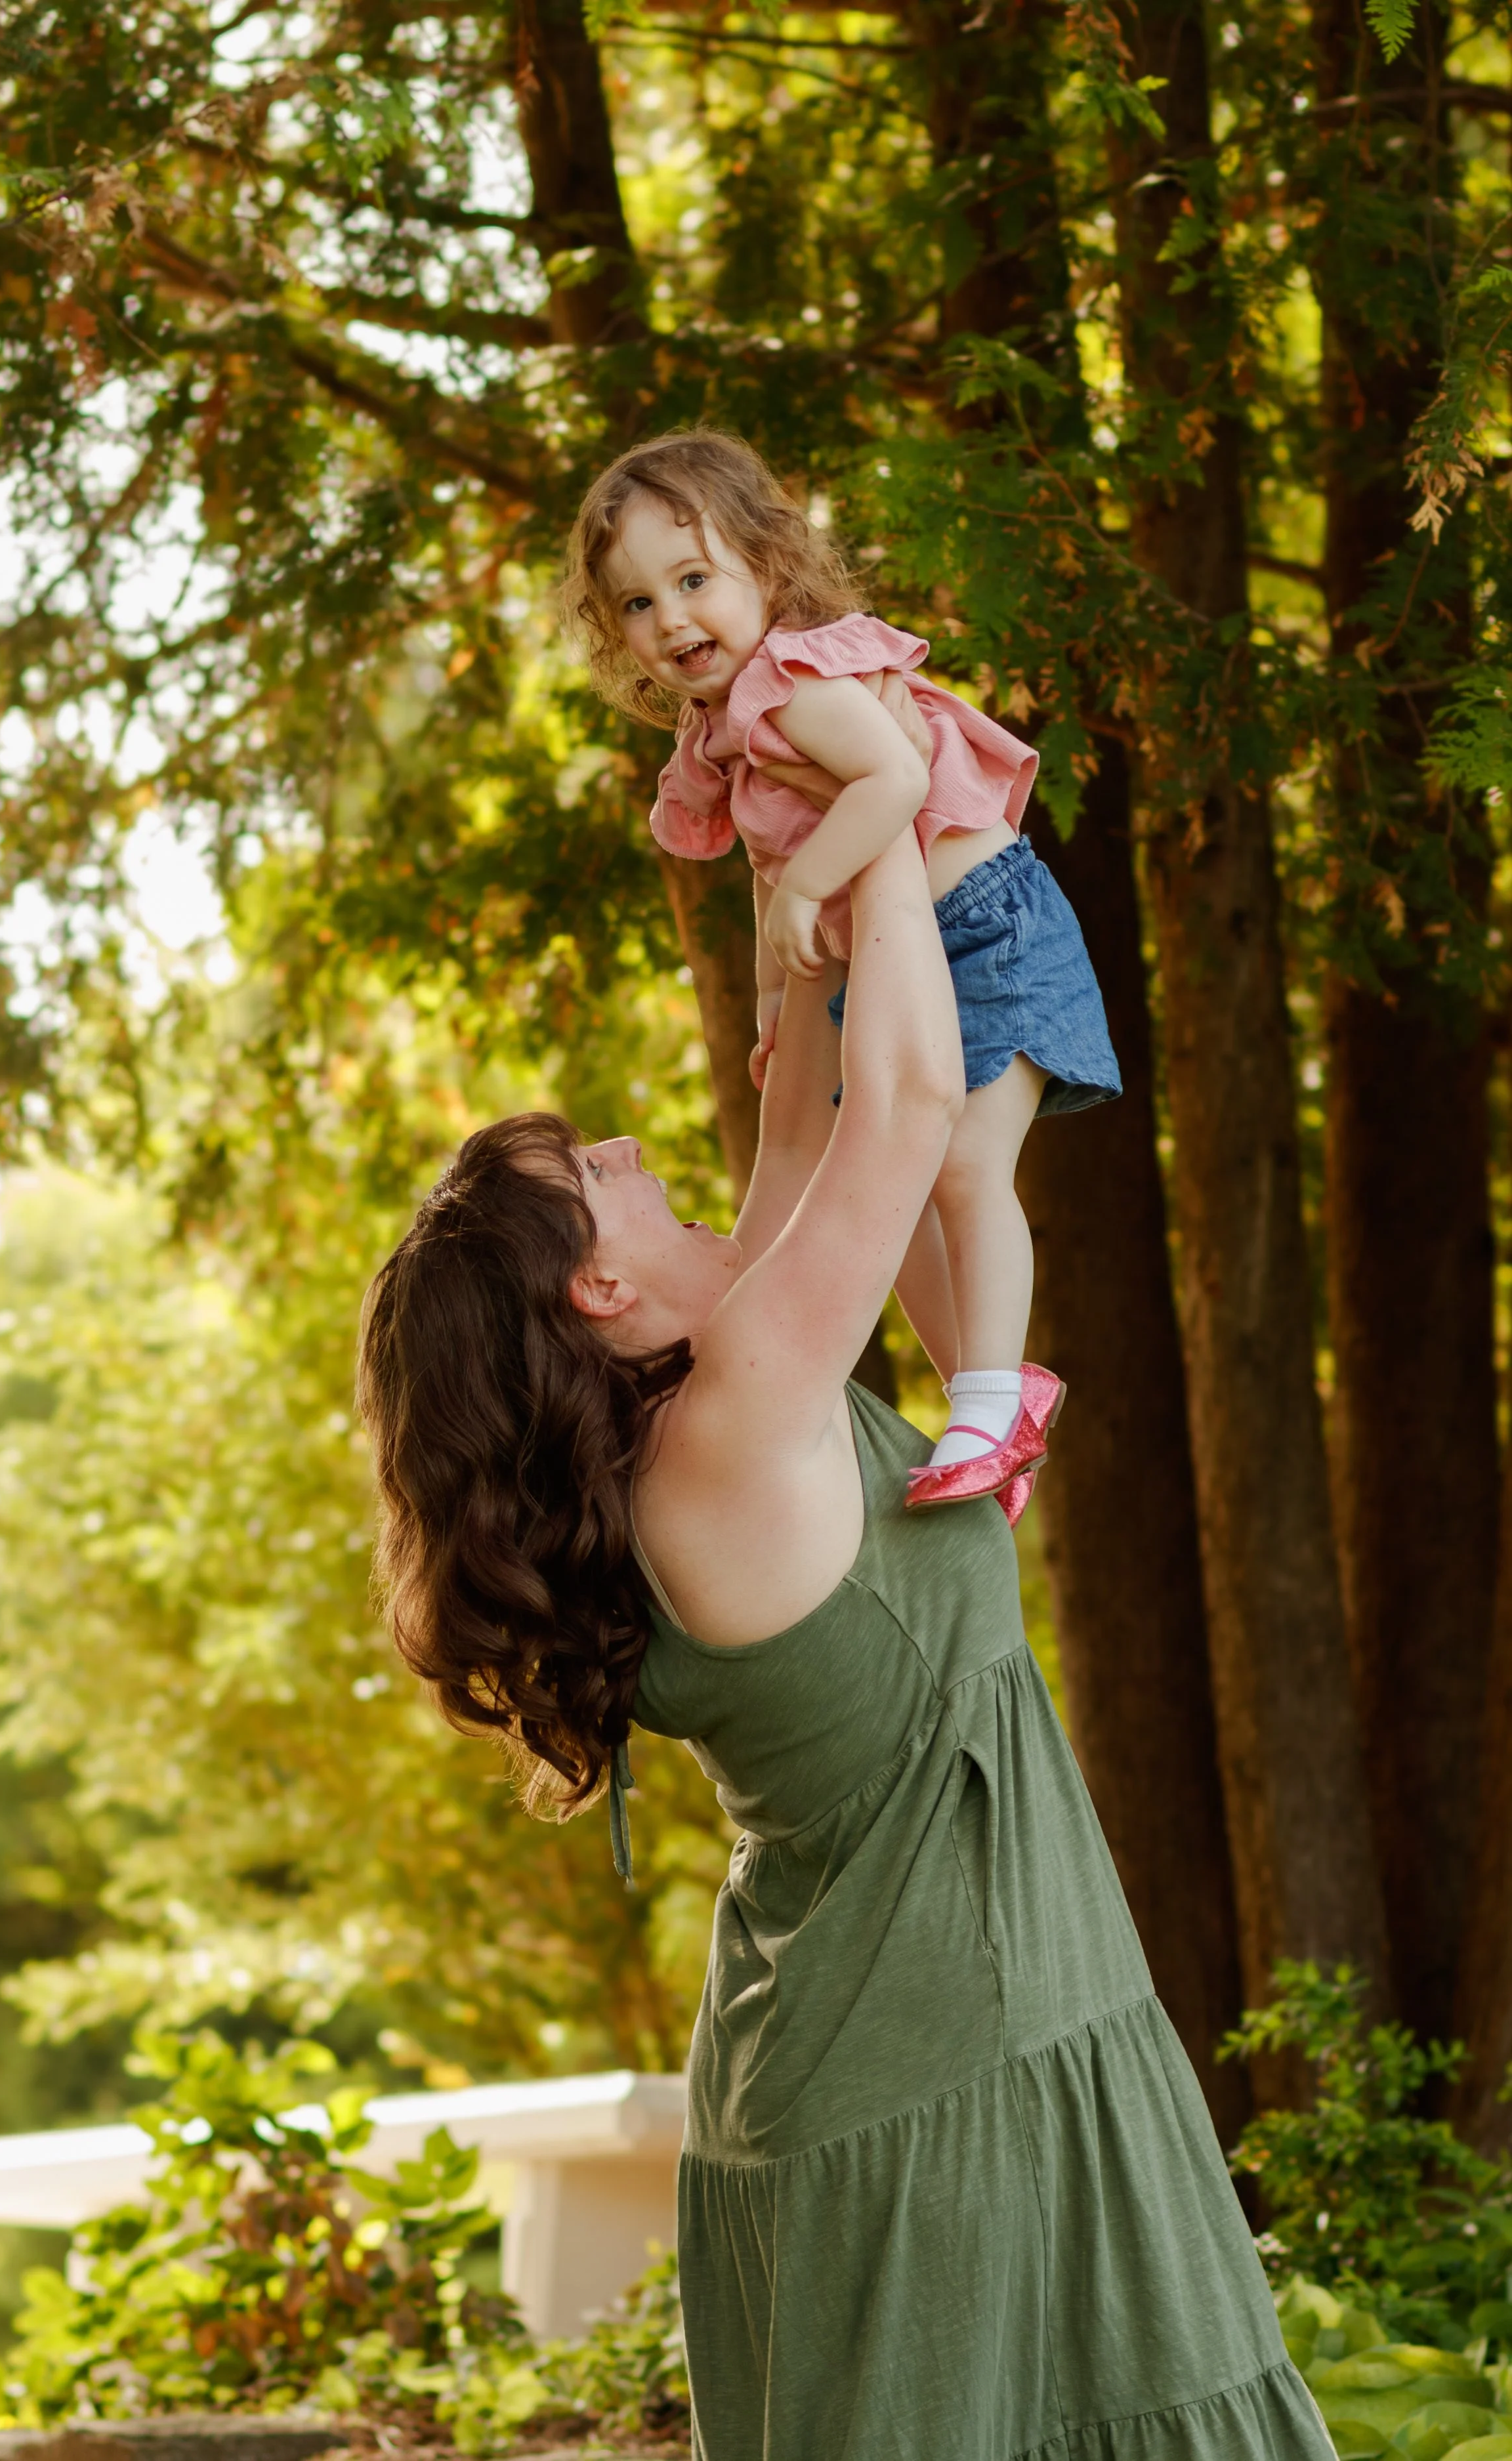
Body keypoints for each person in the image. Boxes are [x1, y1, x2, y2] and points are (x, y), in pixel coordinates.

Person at [356, 826, 1332, 2461]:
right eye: (588, 1173)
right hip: (933, 2068)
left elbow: (802, 1099)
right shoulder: (734, 1430)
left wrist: (779, 836)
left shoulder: (709, 1407)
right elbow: (893, 1116)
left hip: (925, 2038)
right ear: (597, 1284)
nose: (618, 1144)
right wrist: (889, 806)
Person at [562, 426, 1122, 1515]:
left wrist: (816, 886)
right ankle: (989, 1398)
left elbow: (894, 781)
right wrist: (779, 997)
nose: (671, 619)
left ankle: (998, 1397)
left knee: (963, 1162)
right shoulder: (720, 725)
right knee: (891, 1202)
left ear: (766, 570)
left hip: (988, 927)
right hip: (901, 960)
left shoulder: (794, 679)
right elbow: (775, 861)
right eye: (637, 604)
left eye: (692, 580)